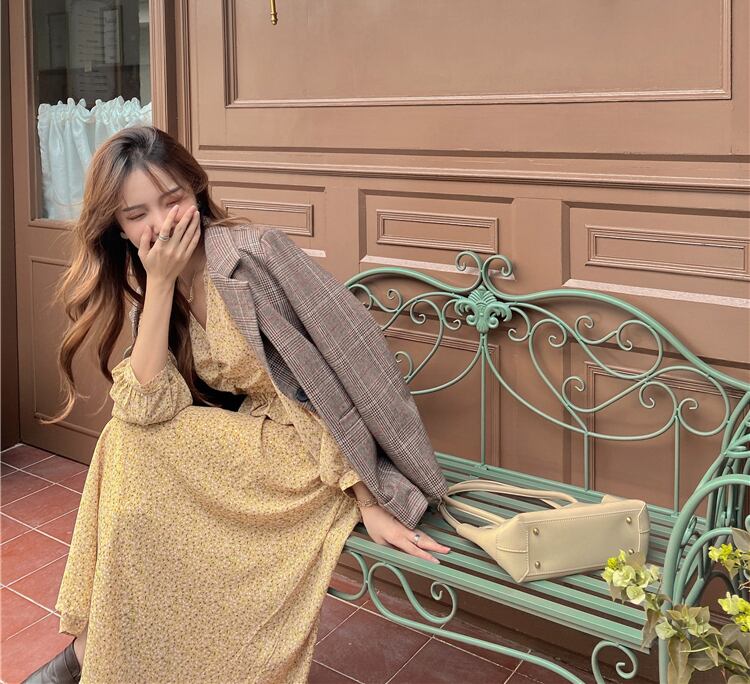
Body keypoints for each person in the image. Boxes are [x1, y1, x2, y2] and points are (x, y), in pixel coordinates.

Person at [24, 125, 451, 683]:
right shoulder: (158, 283)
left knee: (128, 450)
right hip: (257, 449)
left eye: (173, 200)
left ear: (196, 191)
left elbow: (344, 369)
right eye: (137, 215)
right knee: (128, 443)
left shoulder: (254, 253)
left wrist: (369, 496)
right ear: (119, 228)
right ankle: (101, 650)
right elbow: (145, 405)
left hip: (318, 453)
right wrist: (160, 285)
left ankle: (86, 655)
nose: (162, 224)